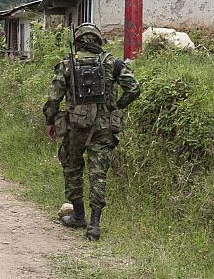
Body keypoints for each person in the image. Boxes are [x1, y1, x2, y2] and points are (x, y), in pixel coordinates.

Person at [42, 23, 141, 241]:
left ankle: (78, 216)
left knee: (72, 169)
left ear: (77, 41)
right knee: (98, 175)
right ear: (98, 40)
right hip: (103, 128)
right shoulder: (112, 63)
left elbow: (54, 98)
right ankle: (94, 226)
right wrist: (116, 106)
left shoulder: (67, 63)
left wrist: (50, 121)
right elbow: (134, 88)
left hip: (75, 127)